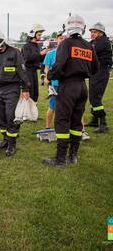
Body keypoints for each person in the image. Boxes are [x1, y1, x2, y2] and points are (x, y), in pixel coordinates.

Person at [42, 14, 99, 167]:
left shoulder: (66, 43)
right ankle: (73, 155)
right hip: (82, 87)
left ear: (66, 27)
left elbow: (58, 66)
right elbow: (96, 68)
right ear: (83, 28)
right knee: (76, 122)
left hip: (68, 87)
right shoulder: (88, 45)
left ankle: (60, 159)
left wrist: (50, 76)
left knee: (62, 121)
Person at [86, 22, 112, 133]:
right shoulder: (94, 41)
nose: (92, 34)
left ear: (101, 32)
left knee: (94, 97)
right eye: (91, 32)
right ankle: (94, 120)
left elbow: (89, 52)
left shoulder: (103, 41)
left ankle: (103, 123)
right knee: (94, 96)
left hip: (101, 71)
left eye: (94, 32)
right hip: (95, 71)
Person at [43, 32, 65, 129]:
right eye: (60, 38)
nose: (62, 40)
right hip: (55, 85)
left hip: (68, 85)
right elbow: (46, 68)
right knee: (52, 107)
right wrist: (47, 77)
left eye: (64, 38)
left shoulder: (71, 53)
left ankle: (82, 130)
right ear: (57, 40)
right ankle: (48, 128)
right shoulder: (50, 53)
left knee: (74, 107)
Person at [22, 23, 47, 102]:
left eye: (41, 35)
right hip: (27, 72)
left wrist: (44, 54)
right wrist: (40, 54)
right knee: (30, 93)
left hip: (34, 72)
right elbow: (28, 58)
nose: (40, 36)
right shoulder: (26, 46)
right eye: (39, 35)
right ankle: (27, 112)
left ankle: (33, 111)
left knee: (36, 94)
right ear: (33, 34)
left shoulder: (36, 45)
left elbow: (39, 58)